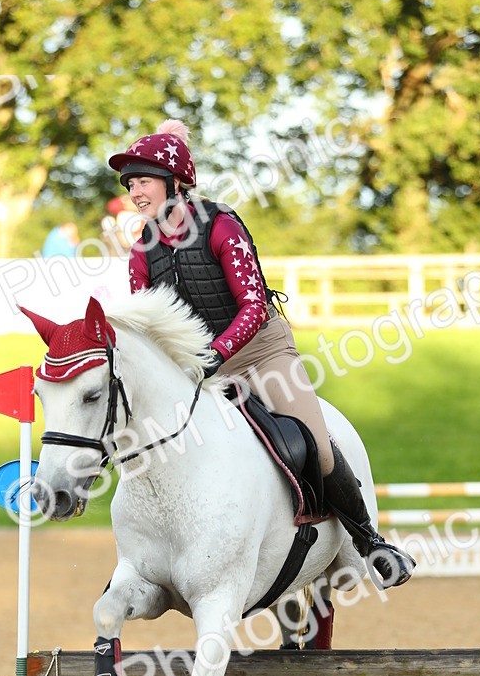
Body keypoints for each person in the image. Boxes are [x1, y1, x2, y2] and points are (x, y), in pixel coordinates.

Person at [108, 119, 415, 587]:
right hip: (198, 364)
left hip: (260, 349)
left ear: (175, 183)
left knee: (314, 444)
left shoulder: (222, 226)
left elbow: (253, 305)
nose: (135, 191)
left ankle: (370, 541)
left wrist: (218, 352)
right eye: (130, 183)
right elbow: (146, 327)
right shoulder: (141, 253)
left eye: (143, 180)